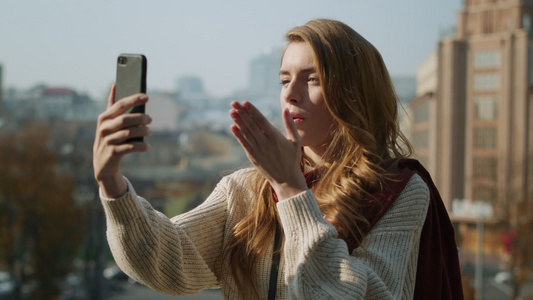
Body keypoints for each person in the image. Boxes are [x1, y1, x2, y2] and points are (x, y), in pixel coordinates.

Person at [93, 19, 463, 299]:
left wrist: (291, 190)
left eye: (313, 79)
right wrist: (112, 185)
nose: (292, 94)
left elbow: (342, 293)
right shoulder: (247, 188)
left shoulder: (400, 190)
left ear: (355, 93)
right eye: (285, 79)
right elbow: (166, 263)